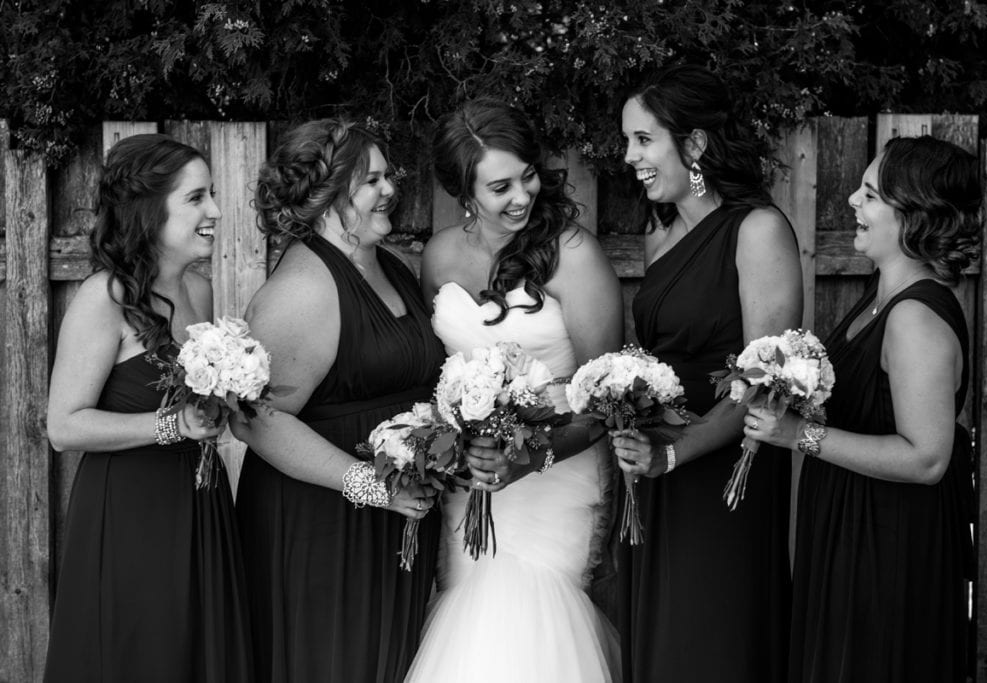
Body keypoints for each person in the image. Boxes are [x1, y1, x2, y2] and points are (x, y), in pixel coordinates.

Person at [744, 135, 978, 682]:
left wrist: (798, 435)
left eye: (870, 195)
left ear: (913, 216)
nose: (852, 200)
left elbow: (927, 459)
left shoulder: (915, 319)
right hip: (851, 531)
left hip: (889, 548)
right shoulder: (880, 298)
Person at [404, 97, 623, 683]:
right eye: (500, 187)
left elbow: (603, 399)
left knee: (534, 625)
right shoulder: (440, 255)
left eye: (527, 176)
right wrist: (457, 445)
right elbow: (438, 375)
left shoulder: (574, 256)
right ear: (465, 194)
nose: (521, 196)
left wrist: (525, 460)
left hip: (557, 474)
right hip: (469, 477)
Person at [230, 119, 443, 683]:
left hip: (389, 523)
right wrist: (373, 486)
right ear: (328, 196)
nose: (390, 189)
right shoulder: (304, 289)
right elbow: (256, 421)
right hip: (321, 529)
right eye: (371, 180)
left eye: (387, 175)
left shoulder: (388, 264)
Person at [611, 64, 802, 682]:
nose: (629, 157)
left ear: (693, 144)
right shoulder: (659, 235)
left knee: (711, 642)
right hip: (655, 469)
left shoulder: (758, 231)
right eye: (627, 141)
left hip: (724, 470)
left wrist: (677, 450)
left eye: (644, 140)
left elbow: (764, 385)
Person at [44, 134, 253, 682]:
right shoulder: (104, 298)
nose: (214, 211)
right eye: (196, 198)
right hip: (130, 512)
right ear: (148, 210)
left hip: (200, 501)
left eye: (212, 195)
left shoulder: (199, 292)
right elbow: (64, 426)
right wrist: (171, 424)